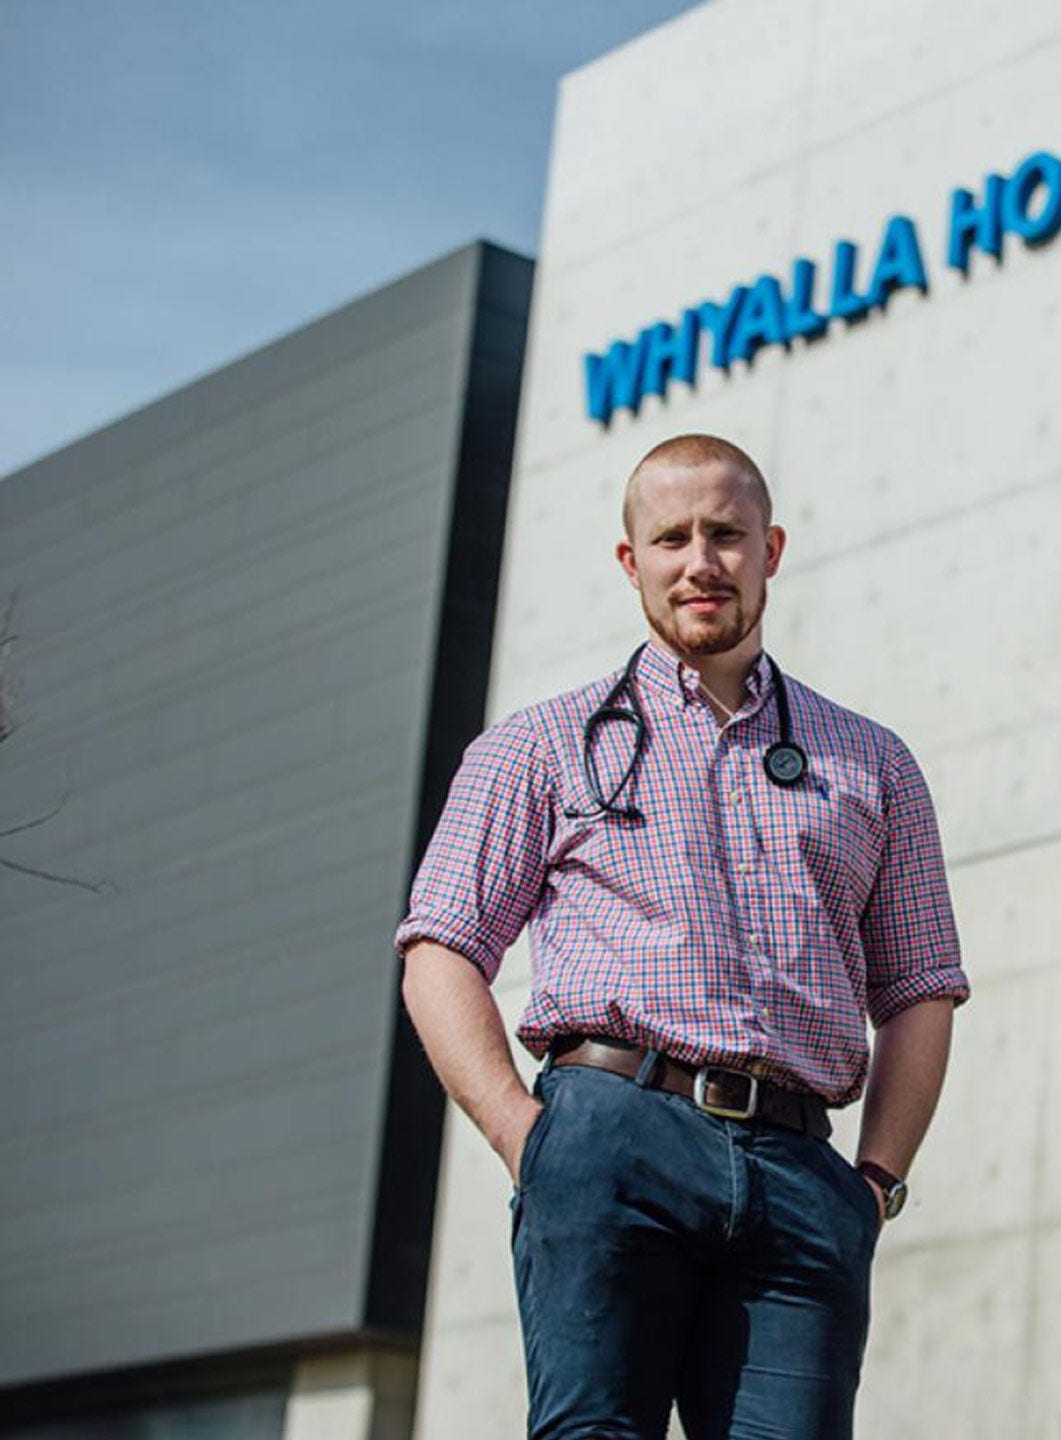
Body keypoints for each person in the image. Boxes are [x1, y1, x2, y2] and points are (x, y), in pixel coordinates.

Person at [397, 433, 967, 1440]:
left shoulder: (872, 762)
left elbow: (920, 986)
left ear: (770, 550)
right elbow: (439, 950)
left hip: (800, 1169)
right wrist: (526, 1138)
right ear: (632, 561)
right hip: (612, 1138)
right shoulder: (538, 746)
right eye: (671, 538)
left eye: (726, 534)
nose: (701, 562)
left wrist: (873, 1184)